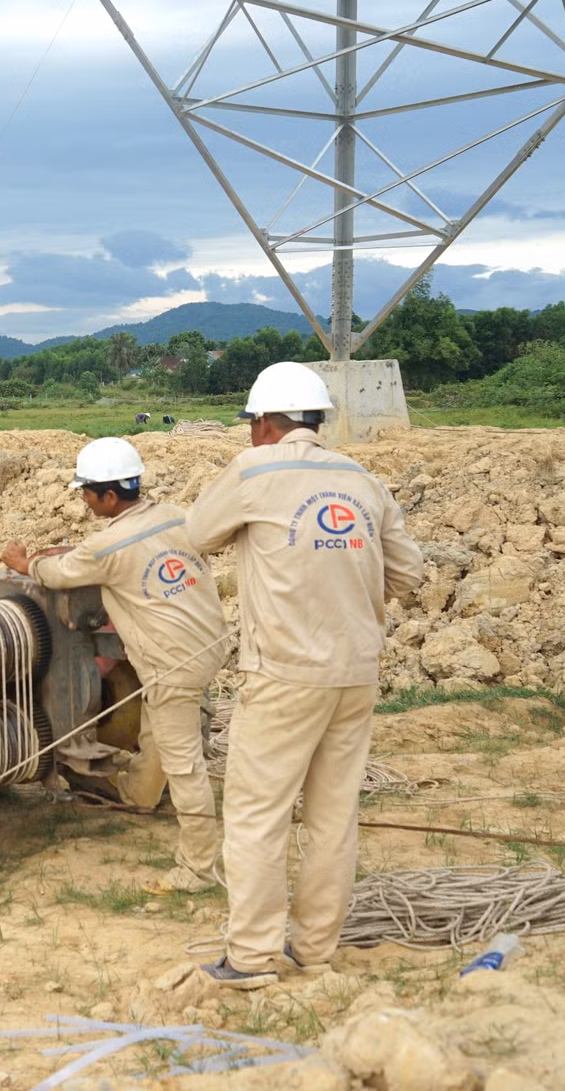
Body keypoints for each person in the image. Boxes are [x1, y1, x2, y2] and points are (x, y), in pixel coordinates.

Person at [184, 362, 424, 990]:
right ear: (317, 421)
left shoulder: (253, 471)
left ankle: (253, 957)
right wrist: (348, 596)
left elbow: (196, 535)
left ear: (264, 422)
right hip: (356, 671)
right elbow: (409, 573)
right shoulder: (362, 479)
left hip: (285, 673)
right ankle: (315, 948)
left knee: (257, 814)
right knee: (333, 815)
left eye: (250, 426)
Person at [2, 436, 229, 894]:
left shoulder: (107, 546)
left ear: (109, 496)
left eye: (86, 492)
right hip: (210, 645)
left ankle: (198, 866)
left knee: (184, 764)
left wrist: (23, 563)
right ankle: (140, 795)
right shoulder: (176, 516)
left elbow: (56, 575)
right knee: (163, 727)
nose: (83, 500)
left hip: (173, 663)